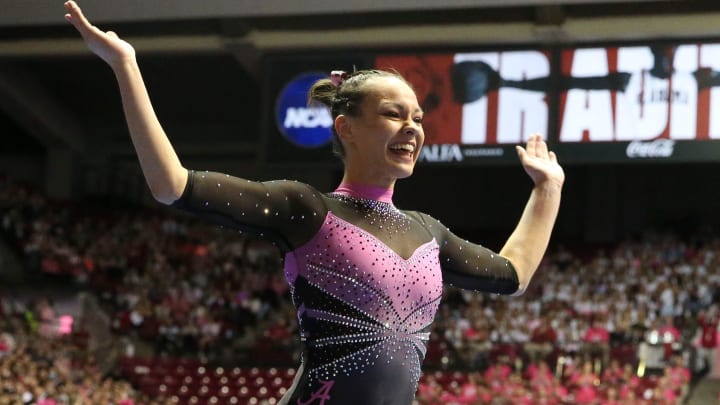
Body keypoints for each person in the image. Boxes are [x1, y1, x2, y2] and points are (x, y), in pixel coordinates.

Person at [63, 1, 564, 403]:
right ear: (347, 128)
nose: (412, 128)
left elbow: (511, 275)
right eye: (394, 115)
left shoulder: (428, 232)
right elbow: (173, 184)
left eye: (417, 118)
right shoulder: (307, 210)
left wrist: (548, 189)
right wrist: (125, 66)